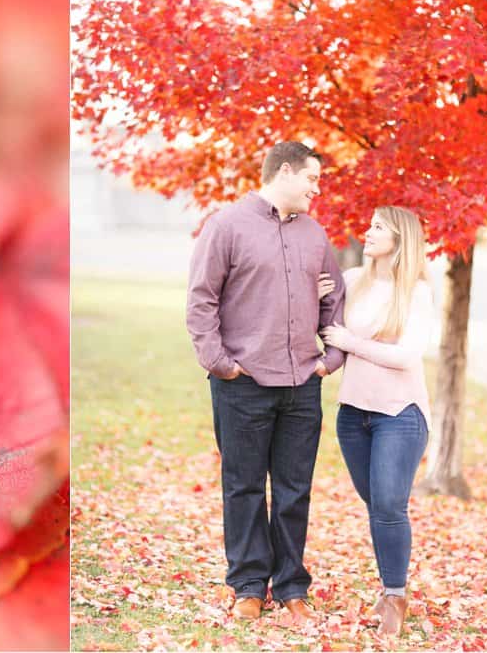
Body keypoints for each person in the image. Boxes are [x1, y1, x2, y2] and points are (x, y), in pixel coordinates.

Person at [186, 141, 347, 624]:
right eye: (312, 178)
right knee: (244, 488)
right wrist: (221, 363)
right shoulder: (226, 225)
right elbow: (201, 300)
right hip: (243, 384)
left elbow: (334, 300)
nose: (317, 189)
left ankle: (293, 585)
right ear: (284, 172)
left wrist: (331, 359)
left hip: (302, 383)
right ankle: (249, 586)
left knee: (296, 489)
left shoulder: (316, 235)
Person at [319, 206, 434, 637]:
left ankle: (395, 596)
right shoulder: (352, 282)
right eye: (367, 224)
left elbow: (406, 356)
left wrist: (351, 342)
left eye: (378, 227)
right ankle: (390, 589)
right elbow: (323, 325)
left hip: (400, 414)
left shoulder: (416, 293)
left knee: (388, 505)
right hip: (353, 415)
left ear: (400, 240)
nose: (366, 233)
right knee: (378, 508)